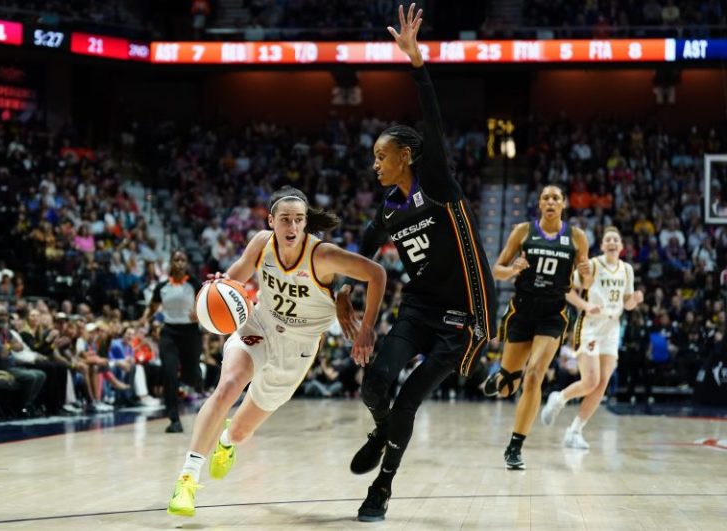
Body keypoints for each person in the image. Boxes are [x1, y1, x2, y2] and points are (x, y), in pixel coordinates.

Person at [335, 4, 497, 522]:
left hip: (464, 315)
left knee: (408, 400)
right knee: (374, 382)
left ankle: (382, 487)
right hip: (420, 307)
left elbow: (433, 120)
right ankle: (382, 430)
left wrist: (416, 61)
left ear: (405, 155)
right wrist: (342, 289)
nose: (374, 164)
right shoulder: (387, 208)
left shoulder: (438, 182)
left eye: (381, 156)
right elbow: (361, 252)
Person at [166, 186, 387, 517]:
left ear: (306, 222)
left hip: (297, 349)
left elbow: (376, 273)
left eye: (298, 219)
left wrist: (366, 326)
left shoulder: (323, 255)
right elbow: (231, 282)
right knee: (228, 386)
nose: (292, 226)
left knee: (241, 431)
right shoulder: (261, 244)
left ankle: (226, 441)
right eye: (285, 219)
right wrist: (216, 289)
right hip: (259, 326)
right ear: (271, 221)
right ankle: (187, 479)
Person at [482, 184, 592, 470]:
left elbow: (585, 283)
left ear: (563, 204)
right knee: (508, 388)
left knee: (533, 376)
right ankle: (501, 378)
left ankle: (515, 446)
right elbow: (497, 270)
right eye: (546, 198)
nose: (551, 201)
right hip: (522, 311)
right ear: (540, 204)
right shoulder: (523, 231)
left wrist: (587, 275)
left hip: (553, 314)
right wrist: (514, 269)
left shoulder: (577, 237)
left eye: (556, 198)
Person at [540, 226, 644, 448]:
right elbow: (566, 288)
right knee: (590, 381)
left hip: (612, 327)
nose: (612, 242)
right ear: (603, 245)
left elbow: (626, 303)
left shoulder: (627, 270)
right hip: (590, 325)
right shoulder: (593, 265)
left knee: (602, 383)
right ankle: (559, 398)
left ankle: (574, 432)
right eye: (608, 239)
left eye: (616, 239)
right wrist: (585, 305)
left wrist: (634, 301)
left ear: (622, 246)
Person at [142, 250, 203, 433]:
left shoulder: (195, 284)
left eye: (183, 260)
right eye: (176, 260)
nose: (179, 263)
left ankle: (192, 380)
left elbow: (207, 306)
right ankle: (174, 419)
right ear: (171, 263)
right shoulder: (162, 287)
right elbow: (152, 308)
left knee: (191, 374)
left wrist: (200, 315)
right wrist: (142, 320)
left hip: (191, 332)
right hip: (169, 333)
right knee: (169, 373)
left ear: (187, 263)